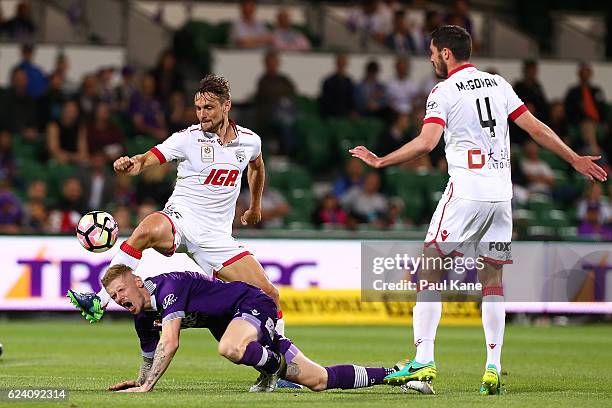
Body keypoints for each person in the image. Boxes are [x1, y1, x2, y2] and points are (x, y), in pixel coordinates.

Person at [349, 25, 606, 395]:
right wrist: (573, 158)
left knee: (429, 267)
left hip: (466, 192)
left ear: (447, 54)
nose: (431, 58)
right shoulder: (498, 84)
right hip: (502, 197)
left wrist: (380, 161)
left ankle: (422, 363)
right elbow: (535, 127)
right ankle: (493, 367)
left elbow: (427, 142)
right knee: (492, 280)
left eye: (433, 52)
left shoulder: (443, 91)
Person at [66, 75, 287, 388]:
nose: (202, 114)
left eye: (208, 107)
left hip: (216, 237)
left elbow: (257, 166)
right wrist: (133, 164)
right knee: (146, 228)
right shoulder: (187, 138)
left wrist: (254, 206)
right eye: (197, 108)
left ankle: (283, 369)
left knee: (270, 294)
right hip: (181, 219)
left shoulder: (250, 140)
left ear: (227, 106)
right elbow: (149, 158)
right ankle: (99, 301)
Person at [102, 265, 432, 394]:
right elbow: (150, 354)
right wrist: (141, 381)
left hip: (252, 304)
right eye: (113, 296)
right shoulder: (142, 316)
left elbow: (170, 343)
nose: (119, 299)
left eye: (121, 290)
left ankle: (271, 368)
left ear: (135, 279)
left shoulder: (168, 287)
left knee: (229, 347)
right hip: (242, 325)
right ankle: (398, 374)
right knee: (318, 380)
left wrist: (146, 390)